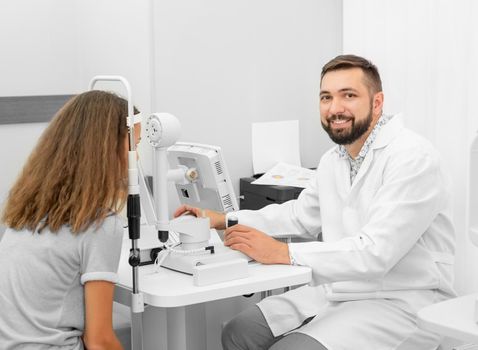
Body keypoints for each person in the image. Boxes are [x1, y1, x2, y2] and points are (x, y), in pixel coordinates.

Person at [174, 55, 456, 349]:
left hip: (402, 299)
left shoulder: (412, 157)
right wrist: (225, 219)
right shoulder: (334, 159)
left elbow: (375, 253)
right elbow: (299, 215)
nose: (335, 108)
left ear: (377, 102)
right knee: (238, 332)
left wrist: (284, 252)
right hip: (338, 290)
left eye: (349, 95)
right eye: (326, 97)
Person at [0, 90, 141, 350]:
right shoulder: (99, 225)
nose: (137, 157)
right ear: (107, 149)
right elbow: (98, 341)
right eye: (134, 146)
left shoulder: (26, 211)